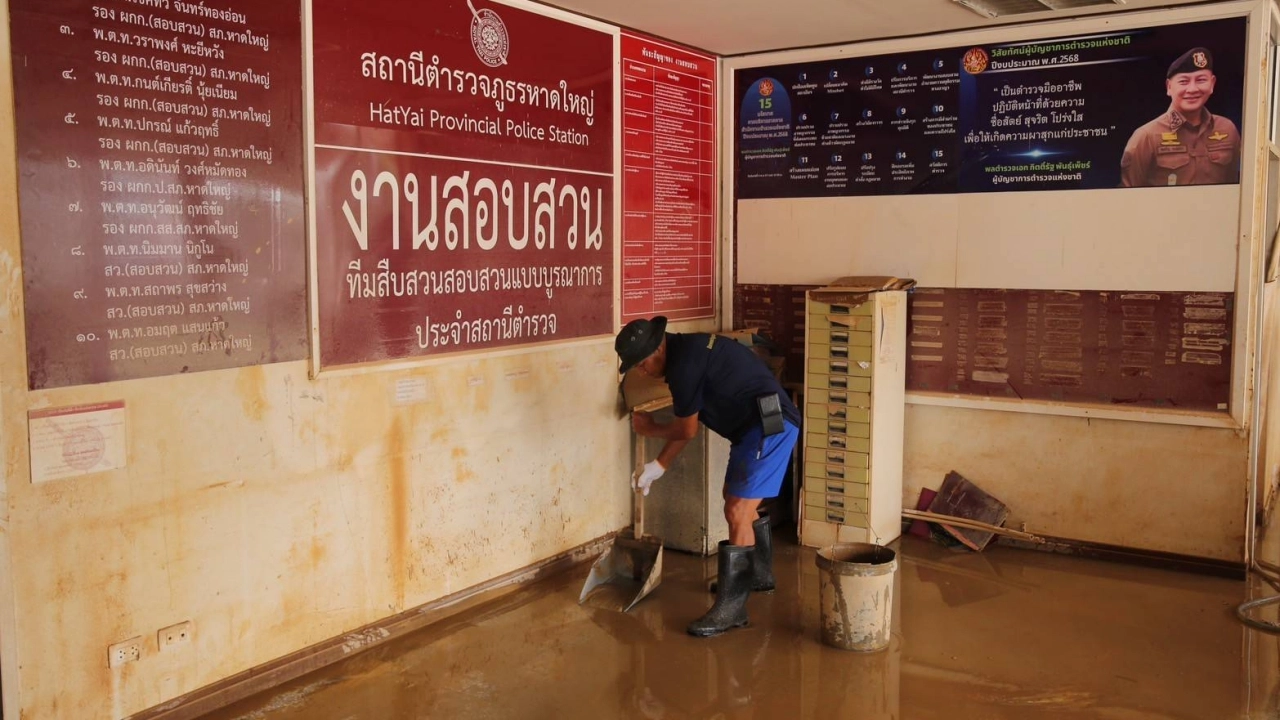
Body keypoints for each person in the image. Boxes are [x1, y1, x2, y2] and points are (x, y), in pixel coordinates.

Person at [615, 316, 801, 638]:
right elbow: (689, 424)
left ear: (659, 346)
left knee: (737, 510)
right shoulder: (686, 352)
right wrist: (658, 466)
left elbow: (686, 430)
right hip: (752, 427)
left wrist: (651, 431)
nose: (640, 371)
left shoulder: (684, 366)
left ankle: (732, 608)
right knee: (733, 498)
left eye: (642, 363)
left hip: (770, 425)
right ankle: (756, 575)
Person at [1120, 46, 1240, 188]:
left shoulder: (1227, 129)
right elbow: (1128, 197)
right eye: (1183, 81)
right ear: (1169, 87)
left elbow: (1236, 187)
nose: (1192, 89)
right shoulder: (1146, 136)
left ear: (1212, 84)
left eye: (1201, 80)